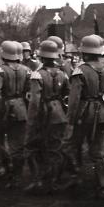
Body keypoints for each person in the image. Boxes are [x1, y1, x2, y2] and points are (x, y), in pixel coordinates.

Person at [62, 35, 104, 198]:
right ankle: (101, 186)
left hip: (84, 115)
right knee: (99, 151)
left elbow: (74, 100)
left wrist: (70, 121)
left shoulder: (80, 70)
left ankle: (76, 175)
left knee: (71, 146)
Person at [23, 40, 70, 193]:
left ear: (42, 56)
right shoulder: (63, 74)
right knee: (54, 149)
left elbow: (35, 101)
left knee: (33, 147)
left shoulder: (38, 75)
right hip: (59, 115)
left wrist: (31, 120)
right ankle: (54, 181)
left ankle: (39, 181)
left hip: (43, 115)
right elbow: (67, 96)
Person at [0, 41, 31, 188]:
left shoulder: (0, 70)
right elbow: (29, 92)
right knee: (17, 144)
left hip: (4, 108)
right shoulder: (26, 70)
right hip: (20, 109)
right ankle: (17, 177)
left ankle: (6, 166)